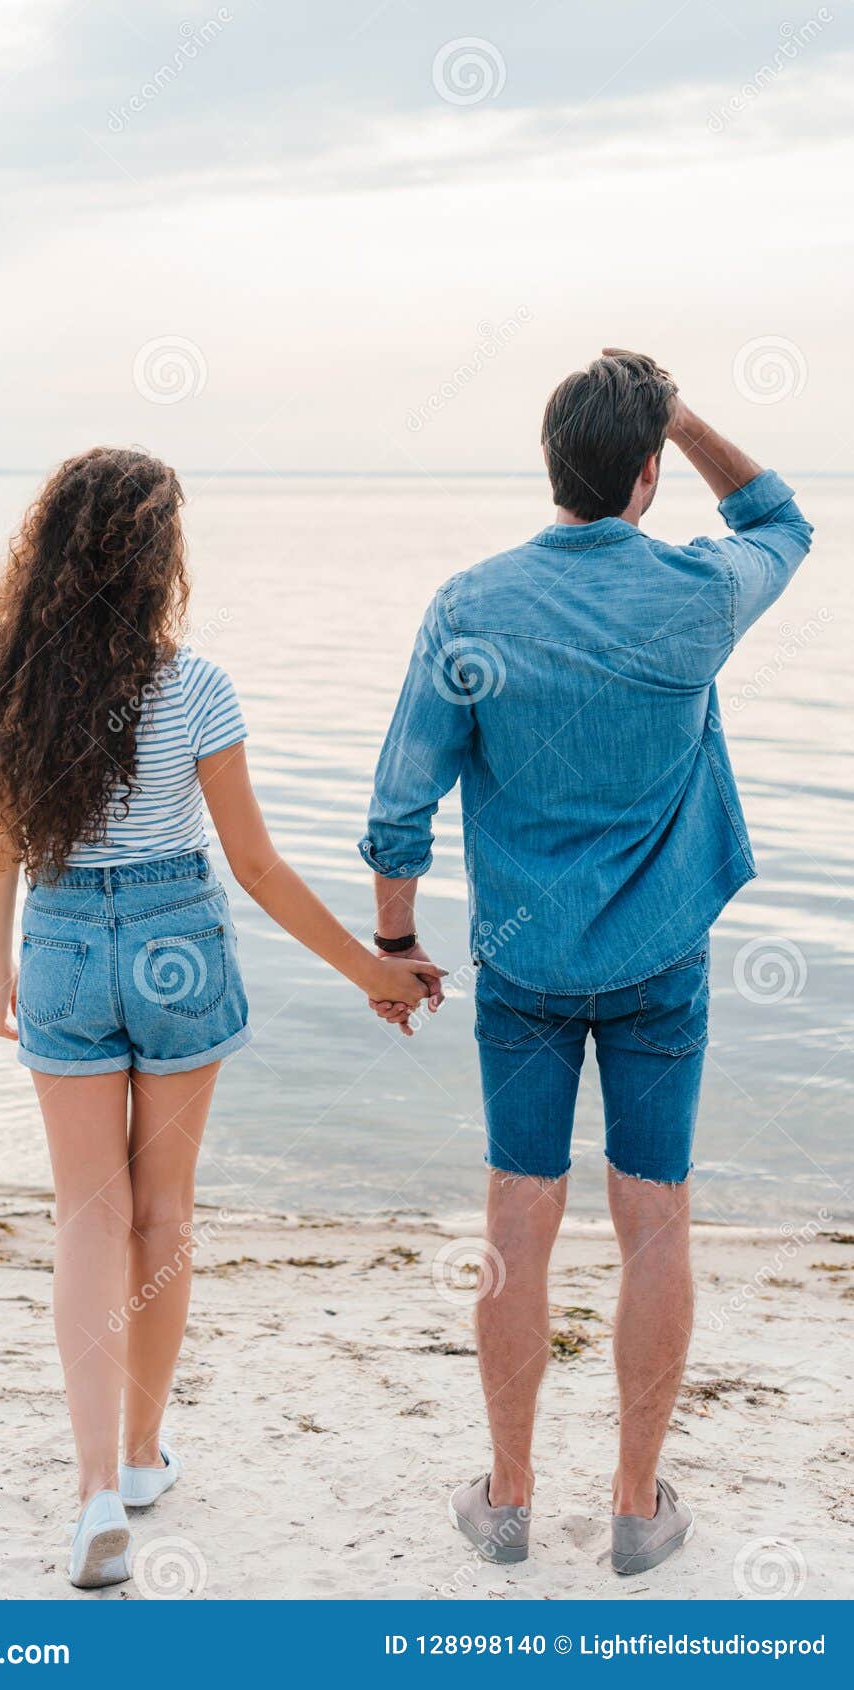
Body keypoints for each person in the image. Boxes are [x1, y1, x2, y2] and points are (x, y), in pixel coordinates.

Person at [0, 446, 442, 1589]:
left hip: (63, 943)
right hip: (177, 944)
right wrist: (370, 971)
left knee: (88, 1216)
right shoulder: (198, 687)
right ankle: (139, 1456)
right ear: (158, 560)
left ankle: (92, 1492)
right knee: (162, 1211)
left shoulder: (11, 691)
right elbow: (258, 866)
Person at [359, 351, 813, 1576]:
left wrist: (396, 943)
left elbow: (401, 803)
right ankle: (633, 1504)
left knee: (518, 1212)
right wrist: (679, 412)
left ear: (551, 464)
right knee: (655, 1218)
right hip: (662, 961)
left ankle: (507, 1500)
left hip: (525, 969)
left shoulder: (472, 605)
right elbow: (781, 517)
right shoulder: (698, 594)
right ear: (648, 473)